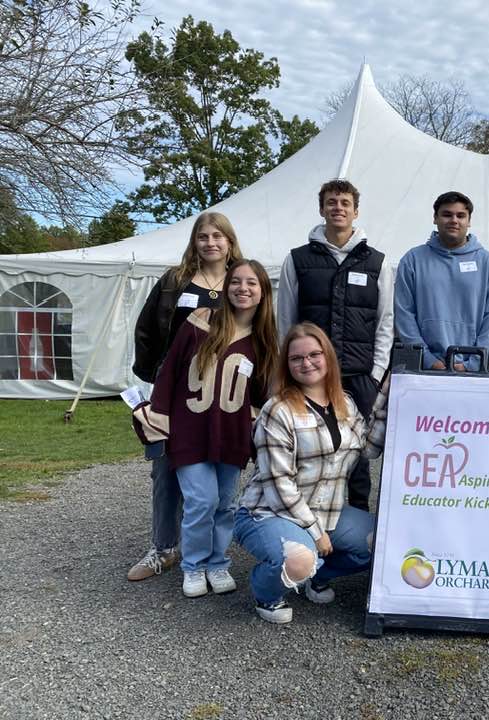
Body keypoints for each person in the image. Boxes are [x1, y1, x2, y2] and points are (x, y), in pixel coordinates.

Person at [133, 260, 278, 598]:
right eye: (236, 281)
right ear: (226, 287)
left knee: (225, 503)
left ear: (263, 292)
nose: (243, 288)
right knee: (201, 500)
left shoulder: (263, 339)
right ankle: (194, 565)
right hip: (190, 429)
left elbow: (262, 392)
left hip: (230, 433)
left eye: (251, 283)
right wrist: (160, 417)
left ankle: (217, 562)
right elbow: (170, 371)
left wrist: (256, 427)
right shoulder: (201, 321)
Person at [234, 323, 388, 624]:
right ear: (287, 365)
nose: (306, 363)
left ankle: (315, 576)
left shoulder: (345, 403)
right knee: (300, 558)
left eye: (314, 355)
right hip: (268, 512)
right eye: (296, 358)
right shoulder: (277, 410)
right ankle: (267, 594)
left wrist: (387, 394)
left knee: (382, 543)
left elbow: (369, 448)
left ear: (328, 357)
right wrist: (316, 534)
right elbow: (279, 487)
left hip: (325, 510)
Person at [127, 212, 243, 582]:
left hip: (222, 394)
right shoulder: (174, 281)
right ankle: (163, 548)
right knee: (165, 468)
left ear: (229, 241)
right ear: (194, 242)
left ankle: (212, 556)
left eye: (217, 236)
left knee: (218, 472)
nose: (210, 243)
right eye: (203, 237)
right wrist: (157, 376)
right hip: (175, 390)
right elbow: (146, 330)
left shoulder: (241, 281)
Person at [277, 179, 393, 513]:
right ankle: (304, 518)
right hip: (310, 375)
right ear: (321, 209)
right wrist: (290, 369)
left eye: (344, 203)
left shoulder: (377, 262)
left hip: (359, 376)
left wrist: (375, 373)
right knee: (308, 445)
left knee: (356, 454)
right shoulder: (297, 260)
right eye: (331, 202)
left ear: (356, 211)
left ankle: (356, 521)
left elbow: (386, 321)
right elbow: (286, 319)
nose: (338, 208)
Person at [394, 191, 489, 371]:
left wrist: (472, 364)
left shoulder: (488, 264)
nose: (454, 220)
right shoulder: (412, 260)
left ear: (469, 221)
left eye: (460, 215)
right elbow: (404, 314)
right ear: (435, 218)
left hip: (472, 371)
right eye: (447, 214)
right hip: (423, 369)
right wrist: (427, 359)